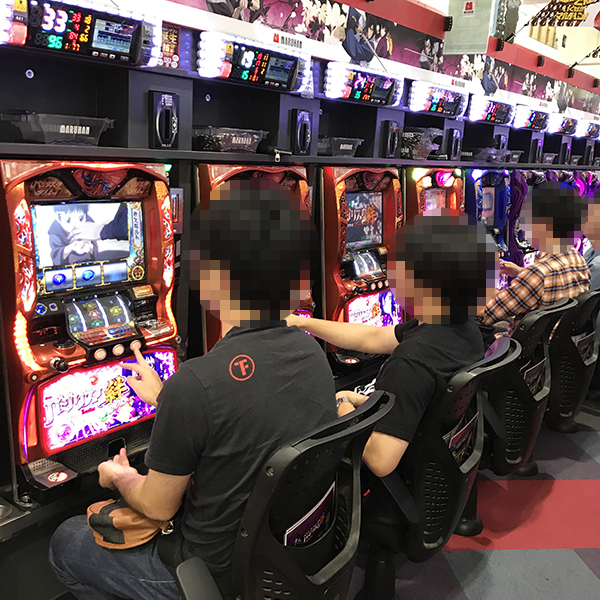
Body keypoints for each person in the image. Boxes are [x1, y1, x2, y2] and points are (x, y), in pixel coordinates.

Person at [48, 179, 337, 600]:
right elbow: (240, 409)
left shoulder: (197, 384)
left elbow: (158, 505)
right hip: (289, 556)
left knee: (66, 541)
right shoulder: (311, 351)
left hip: (209, 574)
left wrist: (120, 477)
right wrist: (168, 397)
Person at [287, 210, 494, 477]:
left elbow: (380, 461)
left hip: (402, 479)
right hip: (438, 459)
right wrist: (303, 323)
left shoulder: (411, 361)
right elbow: (371, 337)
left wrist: (344, 406)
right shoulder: (460, 326)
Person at [478, 182, 590, 333]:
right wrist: (520, 272)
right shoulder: (577, 259)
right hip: (557, 341)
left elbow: (485, 316)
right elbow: (547, 284)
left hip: (523, 345)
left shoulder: (537, 274)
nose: (522, 226)